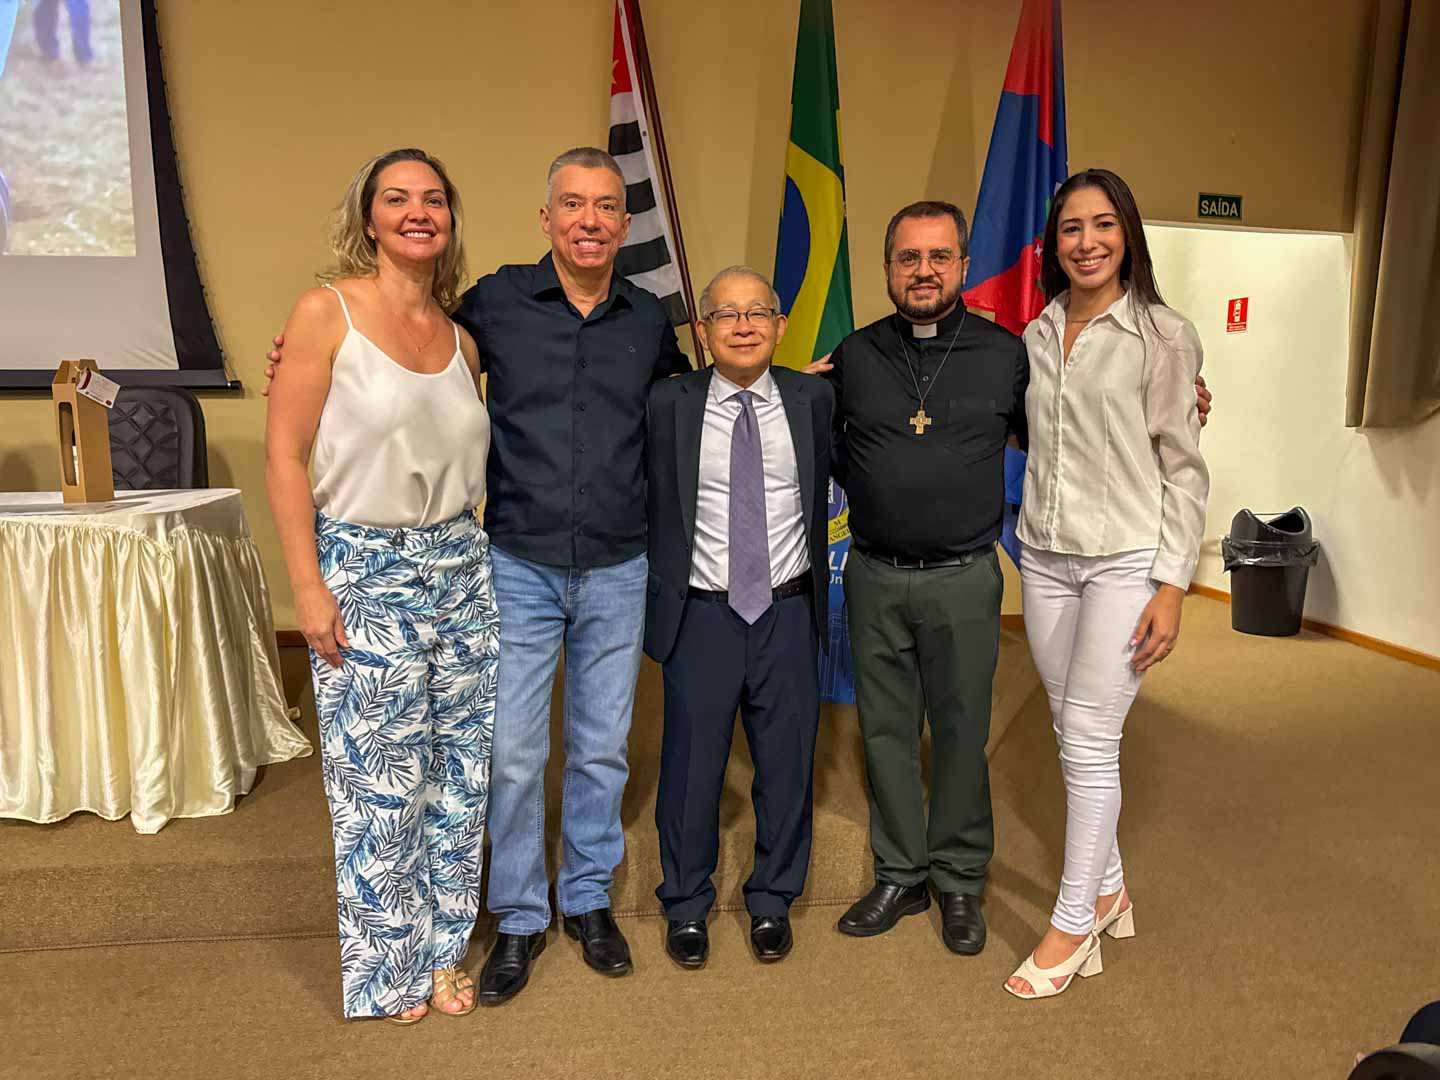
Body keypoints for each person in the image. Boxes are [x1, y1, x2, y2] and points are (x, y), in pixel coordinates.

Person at [264, 147, 690, 1004]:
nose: (590, 221)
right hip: (516, 563)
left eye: (607, 206)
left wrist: (783, 382)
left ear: (624, 222)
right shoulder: (493, 305)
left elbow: (692, 405)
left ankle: (586, 900)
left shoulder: (648, 320)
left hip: (616, 563)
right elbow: (387, 355)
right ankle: (522, 915)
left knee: (601, 749)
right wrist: (297, 356)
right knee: (512, 755)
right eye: (573, 204)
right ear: (547, 218)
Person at [814, 201, 1211, 959]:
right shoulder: (855, 355)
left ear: (964, 267)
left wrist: (1185, 403)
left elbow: (1077, 427)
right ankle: (899, 874)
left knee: (963, 731)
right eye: (908, 257)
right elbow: (823, 440)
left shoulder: (1009, 353)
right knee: (886, 731)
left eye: (940, 257)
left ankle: (960, 878)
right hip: (873, 573)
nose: (924, 271)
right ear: (887, 268)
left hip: (965, 577)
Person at [265, 148, 497, 1023]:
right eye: (396, 198)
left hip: (461, 569)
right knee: (381, 783)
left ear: (450, 218)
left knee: (459, 774)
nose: (417, 212)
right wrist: (308, 585)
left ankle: (442, 954)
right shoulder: (324, 313)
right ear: (368, 218)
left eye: (433, 198)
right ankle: (388, 970)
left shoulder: (462, 339)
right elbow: (284, 457)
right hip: (364, 570)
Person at [1004, 168, 1209, 999]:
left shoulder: (1164, 334)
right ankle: (1112, 887)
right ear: (1053, 245)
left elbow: (1184, 467)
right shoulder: (1037, 331)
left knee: (1089, 737)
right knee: (1069, 727)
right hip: (1045, 557)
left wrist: (1173, 585)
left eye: (1102, 225)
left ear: (1128, 234)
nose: (1087, 242)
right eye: (1071, 228)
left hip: (1126, 558)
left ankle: (1072, 924)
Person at [644, 266, 833, 968]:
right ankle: (685, 903)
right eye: (727, 314)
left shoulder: (815, 399)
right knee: (692, 768)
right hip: (702, 614)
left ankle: (772, 898)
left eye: (758, 313)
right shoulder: (667, 403)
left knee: (786, 764)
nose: (744, 326)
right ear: (703, 330)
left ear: (780, 326)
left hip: (788, 609)